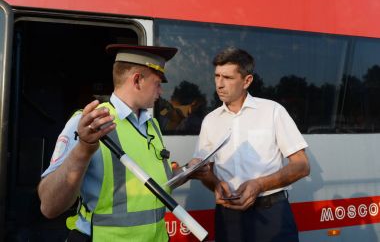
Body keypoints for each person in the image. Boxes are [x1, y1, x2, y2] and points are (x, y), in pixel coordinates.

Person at [38, 44, 199, 242]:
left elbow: (156, 183)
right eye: (158, 83)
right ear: (137, 80)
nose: (161, 91)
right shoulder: (90, 122)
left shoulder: (152, 125)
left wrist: (189, 170)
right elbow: (49, 205)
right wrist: (83, 150)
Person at [194, 47, 310, 242]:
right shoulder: (210, 120)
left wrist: (259, 184)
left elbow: (302, 165)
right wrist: (214, 184)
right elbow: (206, 171)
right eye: (217, 76)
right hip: (227, 217)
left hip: (271, 213)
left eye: (228, 78)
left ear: (247, 81)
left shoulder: (273, 111)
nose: (219, 84)